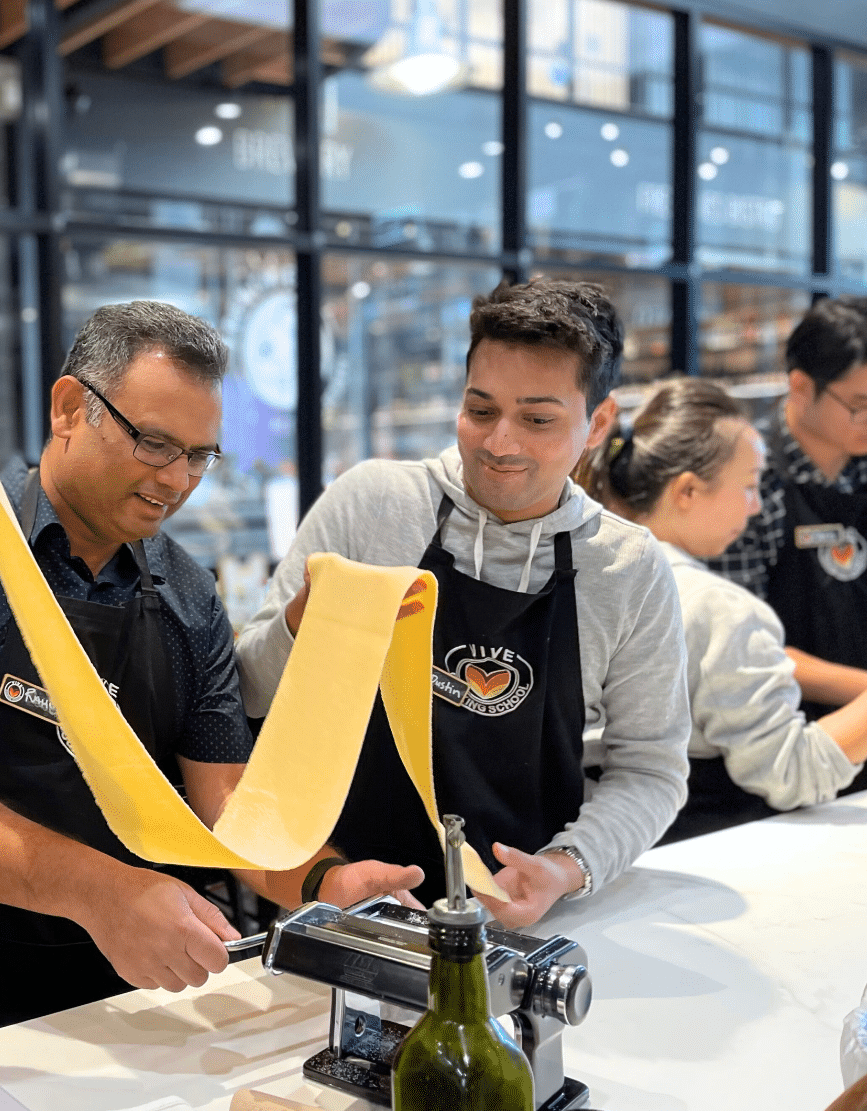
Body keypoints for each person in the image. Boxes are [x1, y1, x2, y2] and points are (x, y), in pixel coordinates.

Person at [0, 301, 425, 1062]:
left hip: (105, 1012)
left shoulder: (187, 595)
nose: (178, 480)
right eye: (155, 443)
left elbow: (226, 804)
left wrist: (326, 883)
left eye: (200, 456)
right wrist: (103, 891)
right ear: (70, 408)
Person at [238, 279, 691, 929]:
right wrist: (299, 626)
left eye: (537, 419)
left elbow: (651, 769)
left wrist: (563, 868)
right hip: (346, 902)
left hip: (522, 920)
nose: (500, 442)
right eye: (481, 410)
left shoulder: (627, 568)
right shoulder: (372, 506)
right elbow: (251, 697)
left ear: (597, 422)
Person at [576, 379, 867, 841]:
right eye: (749, 486)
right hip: (682, 859)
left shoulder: (584, 568)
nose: (754, 508)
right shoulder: (718, 609)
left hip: (585, 837)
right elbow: (790, 773)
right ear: (687, 490)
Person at [707, 298, 867, 724]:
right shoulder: (748, 480)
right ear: (799, 386)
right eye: (860, 405)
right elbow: (743, 646)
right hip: (783, 734)